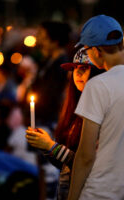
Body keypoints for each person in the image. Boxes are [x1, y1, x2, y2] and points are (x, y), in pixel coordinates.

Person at [67, 15, 124, 200]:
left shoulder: (98, 85)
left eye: (87, 50)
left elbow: (85, 156)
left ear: (96, 50)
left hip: (101, 193)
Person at [26, 47, 105, 200]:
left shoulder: (101, 113)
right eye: (75, 69)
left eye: (84, 68)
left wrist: (51, 146)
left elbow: (87, 165)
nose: (78, 73)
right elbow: (67, 166)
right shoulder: (76, 110)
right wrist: (46, 147)